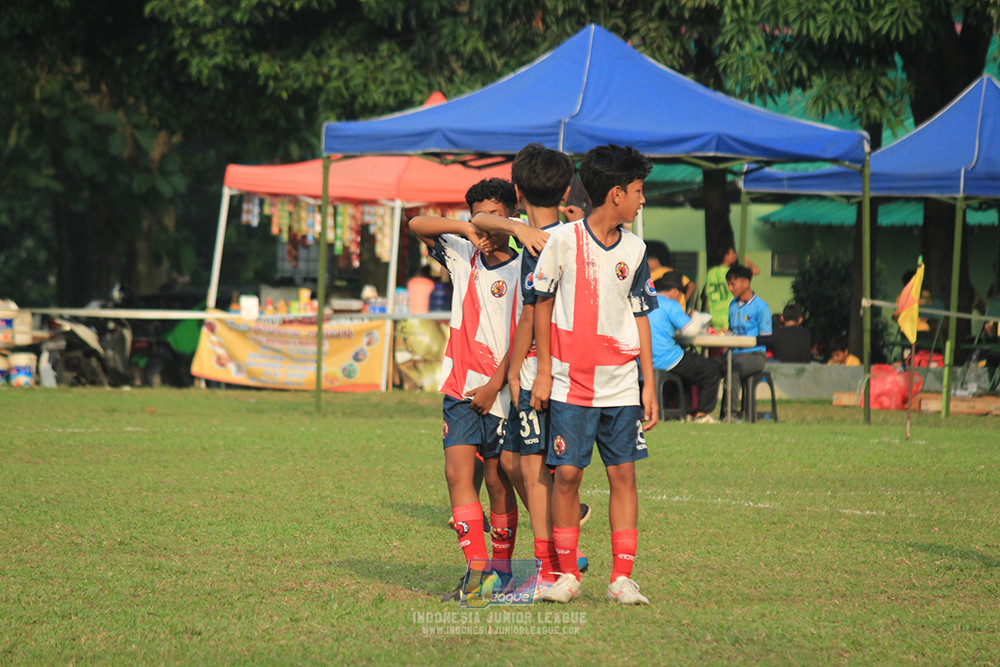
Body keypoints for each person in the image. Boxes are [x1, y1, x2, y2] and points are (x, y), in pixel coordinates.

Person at [531, 143, 658, 605]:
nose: (643, 201)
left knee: (623, 475)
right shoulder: (564, 240)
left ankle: (622, 579)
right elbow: (541, 304)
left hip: (621, 385)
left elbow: (641, 314)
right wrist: (544, 372)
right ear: (616, 194)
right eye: (640, 191)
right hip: (569, 384)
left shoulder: (636, 248)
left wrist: (649, 383)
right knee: (567, 476)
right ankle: (568, 575)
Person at [468, 144, 589, 594]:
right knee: (518, 464)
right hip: (550, 366)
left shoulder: (550, 242)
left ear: (517, 190)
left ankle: (551, 567)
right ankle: (559, 557)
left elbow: (533, 314)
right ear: (563, 189)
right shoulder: (551, 236)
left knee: (536, 468)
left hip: (549, 369)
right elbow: (481, 222)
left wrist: (521, 372)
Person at [409, 178, 521, 603]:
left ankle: (504, 571)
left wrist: (495, 385)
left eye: (496, 217)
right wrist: (464, 226)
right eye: (481, 218)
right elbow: (417, 223)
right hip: (460, 388)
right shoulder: (462, 253)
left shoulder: (527, 263)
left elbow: (528, 332)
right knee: (457, 473)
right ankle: (477, 575)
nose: (488, 227)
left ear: (512, 215)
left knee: (497, 480)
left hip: (505, 389)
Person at [648, 270, 720, 422]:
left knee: (686, 373)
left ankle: (684, 412)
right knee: (710, 369)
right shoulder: (670, 304)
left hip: (644, 361)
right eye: (681, 293)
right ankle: (702, 414)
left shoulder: (646, 301)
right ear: (675, 291)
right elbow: (692, 330)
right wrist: (695, 316)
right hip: (666, 358)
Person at [715, 263, 772, 418]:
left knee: (733, 371)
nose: (730, 288)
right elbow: (733, 331)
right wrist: (724, 333)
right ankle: (700, 413)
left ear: (746, 283)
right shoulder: (733, 305)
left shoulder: (761, 307)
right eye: (728, 284)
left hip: (755, 355)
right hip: (733, 353)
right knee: (708, 366)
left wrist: (746, 341)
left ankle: (731, 415)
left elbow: (766, 338)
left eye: (733, 284)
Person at [702, 246, 759, 331]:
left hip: (713, 315)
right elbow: (755, 270)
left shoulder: (711, 273)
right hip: (727, 315)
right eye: (733, 253)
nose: (735, 256)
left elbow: (707, 296)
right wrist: (746, 260)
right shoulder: (731, 274)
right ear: (726, 256)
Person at [645, 240, 695, 312]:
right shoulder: (647, 275)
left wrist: (683, 301)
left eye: (649, 260)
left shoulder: (666, 271)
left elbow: (691, 285)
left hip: (673, 311)